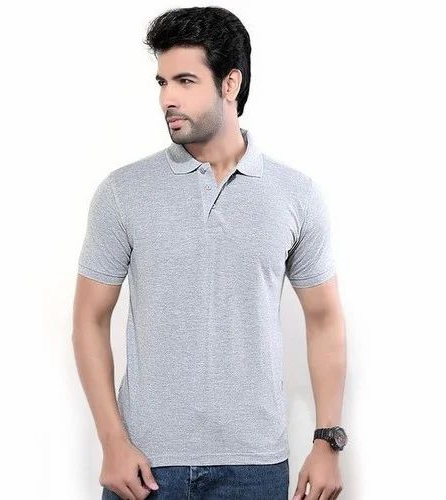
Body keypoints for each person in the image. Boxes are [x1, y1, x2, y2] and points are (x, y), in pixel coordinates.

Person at [72, 6, 347, 500]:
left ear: (230, 84)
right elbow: (89, 321)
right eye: (162, 82)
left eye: (185, 81)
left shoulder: (295, 195)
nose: (167, 98)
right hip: (145, 466)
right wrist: (112, 442)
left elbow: (324, 319)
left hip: (255, 467)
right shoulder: (123, 192)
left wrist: (327, 441)